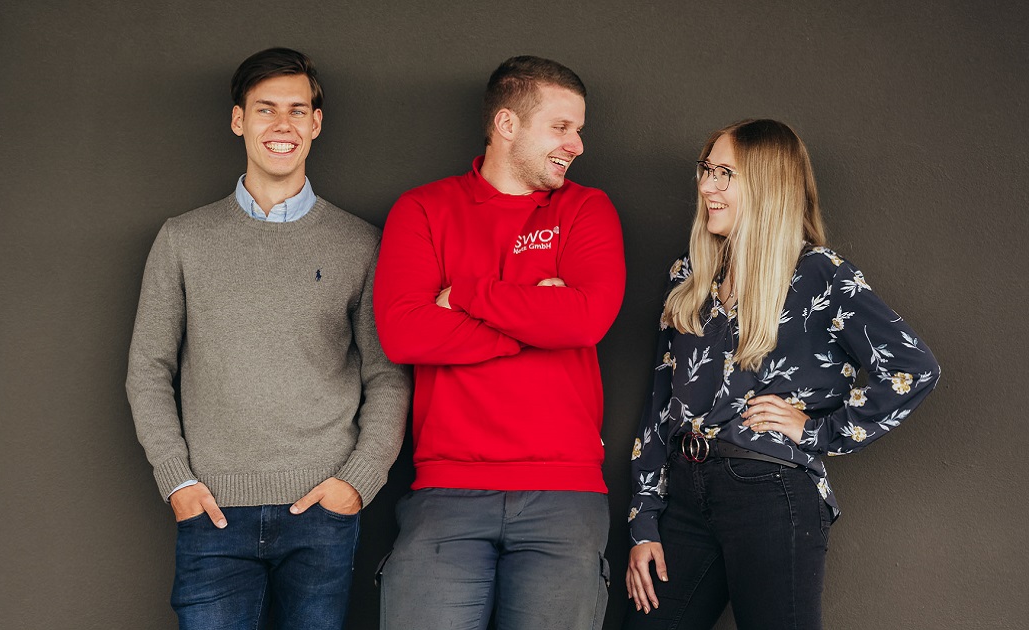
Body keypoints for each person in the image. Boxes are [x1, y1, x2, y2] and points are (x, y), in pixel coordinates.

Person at [125, 47, 411, 630]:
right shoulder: (183, 239)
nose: (283, 125)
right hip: (212, 512)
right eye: (265, 109)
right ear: (239, 120)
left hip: (322, 513)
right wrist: (177, 481)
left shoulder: (360, 244)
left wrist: (356, 484)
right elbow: (148, 369)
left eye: (297, 110)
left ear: (316, 123)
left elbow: (388, 375)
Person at [623, 119, 941, 629]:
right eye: (706, 170)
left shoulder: (819, 274)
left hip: (770, 493)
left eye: (725, 173)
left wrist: (818, 431)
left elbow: (913, 366)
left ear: (767, 185)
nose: (706, 186)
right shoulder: (689, 275)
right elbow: (660, 402)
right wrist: (643, 517)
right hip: (683, 494)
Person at [372, 55, 626, 630]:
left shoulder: (586, 209)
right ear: (507, 124)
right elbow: (404, 333)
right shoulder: (423, 209)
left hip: (564, 493)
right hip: (446, 489)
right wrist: (536, 320)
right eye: (561, 127)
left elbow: (585, 321)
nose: (577, 145)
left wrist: (465, 292)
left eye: (578, 129)